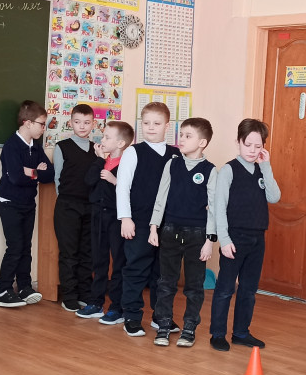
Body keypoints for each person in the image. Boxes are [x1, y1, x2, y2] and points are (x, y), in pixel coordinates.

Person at [209, 119, 281, 352]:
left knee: (249, 289)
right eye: (247, 144)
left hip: (257, 238)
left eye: (258, 146)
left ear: (264, 147)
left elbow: (274, 197)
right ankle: (217, 333)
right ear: (238, 142)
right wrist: (224, 240)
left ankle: (241, 332)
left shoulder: (261, 170)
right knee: (225, 289)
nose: (252, 150)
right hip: (234, 238)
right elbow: (219, 207)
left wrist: (266, 166)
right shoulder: (229, 170)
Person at [147, 118, 217, 347]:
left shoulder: (210, 170)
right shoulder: (172, 164)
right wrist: (154, 227)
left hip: (198, 234)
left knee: (194, 286)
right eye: (181, 135)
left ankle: (189, 328)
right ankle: (164, 325)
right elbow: (161, 197)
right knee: (166, 282)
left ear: (202, 142)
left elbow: (214, 208)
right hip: (170, 231)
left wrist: (210, 240)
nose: (182, 139)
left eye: (188, 136)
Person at [116, 102, 179, 337]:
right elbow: (122, 187)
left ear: (167, 126)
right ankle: (132, 316)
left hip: (167, 223)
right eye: (146, 123)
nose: (151, 127)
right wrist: (125, 218)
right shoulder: (133, 152)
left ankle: (160, 316)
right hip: (139, 221)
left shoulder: (176, 154)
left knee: (162, 272)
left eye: (157, 123)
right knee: (136, 268)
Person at [0, 100, 54, 307]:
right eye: (41, 124)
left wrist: (30, 172)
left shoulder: (35, 148)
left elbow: (49, 175)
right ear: (28, 123)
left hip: (29, 204)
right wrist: (35, 173)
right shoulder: (12, 146)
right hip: (10, 203)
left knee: (25, 247)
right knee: (15, 247)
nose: (44, 128)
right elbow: (15, 178)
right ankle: (4, 290)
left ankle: (24, 287)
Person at [77, 121, 134, 321]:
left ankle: (116, 307)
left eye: (107, 137)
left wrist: (114, 181)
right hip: (97, 216)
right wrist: (100, 160)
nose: (102, 140)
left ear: (120, 143)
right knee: (98, 261)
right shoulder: (102, 161)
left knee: (118, 262)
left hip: (117, 218)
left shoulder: (127, 164)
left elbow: (132, 192)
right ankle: (96, 302)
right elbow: (89, 181)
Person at [52, 104, 98, 312]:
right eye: (78, 122)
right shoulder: (62, 147)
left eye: (87, 122)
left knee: (87, 252)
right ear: (71, 123)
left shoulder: (97, 149)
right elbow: (58, 179)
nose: (82, 126)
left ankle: (85, 293)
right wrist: (67, 202)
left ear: (93, 124)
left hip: (90, 207)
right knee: (69, 253)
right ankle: (69, 295)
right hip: (68, 206)